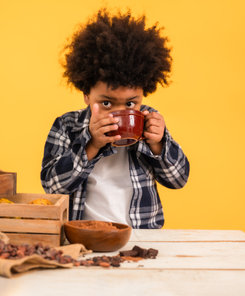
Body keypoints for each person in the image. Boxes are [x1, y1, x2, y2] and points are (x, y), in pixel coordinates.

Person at [41, 9, 190, 229]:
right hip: (85, 236)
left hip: (142, 234)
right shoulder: (66, 125)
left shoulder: (149, 122)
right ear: (86, 94)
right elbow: (53, 187)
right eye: (107, 104)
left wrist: (158, 144)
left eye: (131, 104)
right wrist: (92, 144)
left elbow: (178, 180)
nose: (119, 113)